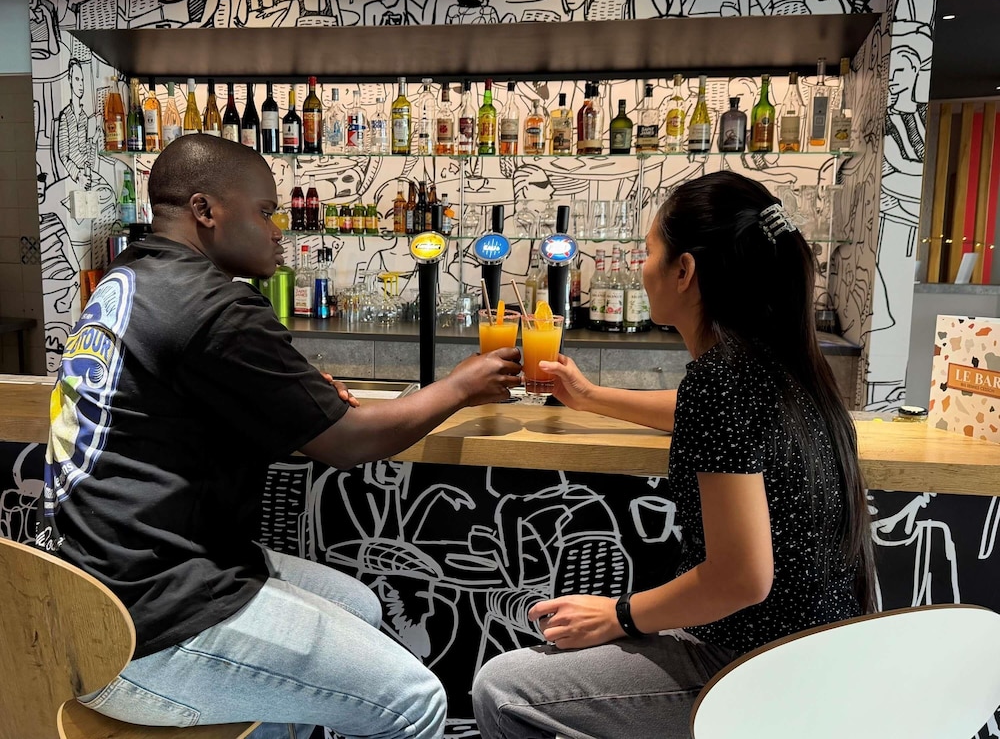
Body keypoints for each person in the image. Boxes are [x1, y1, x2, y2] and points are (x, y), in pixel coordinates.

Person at [36, 134, 522, 739]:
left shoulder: (128, 277)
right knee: (415, 700)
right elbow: (350, 442)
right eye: (266, 212)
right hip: (148, 624)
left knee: (361, 607)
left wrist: (288, 398)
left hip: (80, 591)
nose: (277, 232)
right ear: (205, 210)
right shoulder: (215, 307)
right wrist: (462, 384)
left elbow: (180, 399)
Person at [471, 171, 876, 738]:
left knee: (503, 689)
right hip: (826, 656)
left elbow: (742, 579)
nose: (642, 267)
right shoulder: (787, 366)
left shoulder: (722, 381)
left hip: (754, 669)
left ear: (684, 271)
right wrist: (590, 397)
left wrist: (620, 613)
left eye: (649, 252)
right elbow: (709, 421)